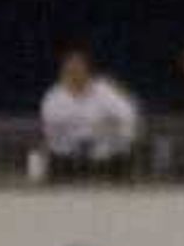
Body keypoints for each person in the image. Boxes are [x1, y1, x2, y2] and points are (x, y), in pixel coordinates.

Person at [38, 49, 143, 177]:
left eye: (78, 70)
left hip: (107, 156)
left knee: (123, 150)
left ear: (87, 71)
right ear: (63, 73)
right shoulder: (54, 97)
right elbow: (51, 131)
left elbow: (129, 117)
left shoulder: (105, 91)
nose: (74, 74)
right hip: (67, 158)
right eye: (70, 71)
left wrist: (112, 131)